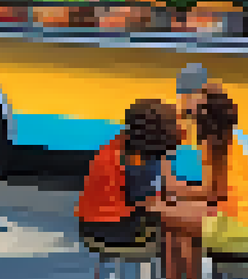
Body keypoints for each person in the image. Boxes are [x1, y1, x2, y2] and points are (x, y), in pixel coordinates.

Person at [146, 66, 248, 279]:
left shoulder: (214, 144)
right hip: (244, 219)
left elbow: (214, 194)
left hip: (239, 225)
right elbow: (213, 193)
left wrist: (172, 186)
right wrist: (178, 195)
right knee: (175, 229)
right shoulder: (227, 140)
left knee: (162, 216)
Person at [76, 98, 178, 250]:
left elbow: (161, 189)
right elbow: (148, 203)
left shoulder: (123, 143)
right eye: (173, 126)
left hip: (93, 223)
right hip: (109, 228)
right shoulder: (135, 162)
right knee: (179, 231)